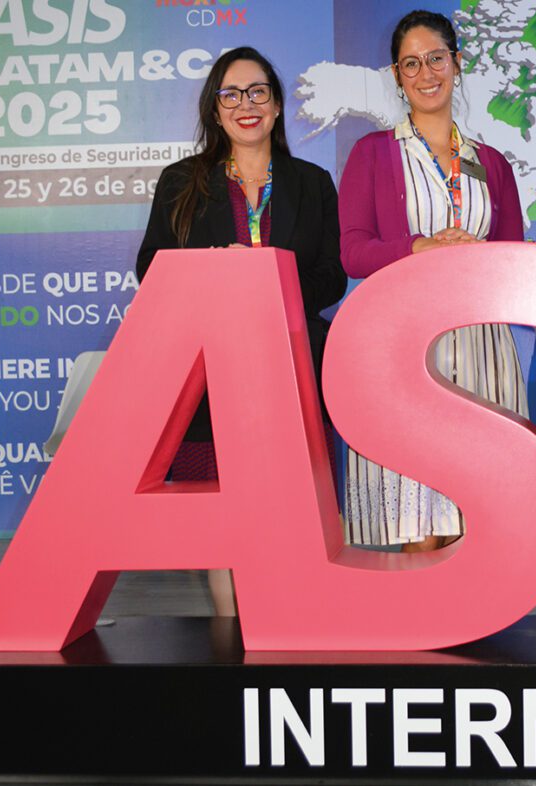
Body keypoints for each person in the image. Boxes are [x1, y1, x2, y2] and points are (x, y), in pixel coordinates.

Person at [137, 47, 347, 612]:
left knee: (297, 514)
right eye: (230, 94)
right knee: (223, 523)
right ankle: (232, 637)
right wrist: (218, 273)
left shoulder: (312, 182)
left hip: (293, 369)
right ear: (215, 110)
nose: (245, 105)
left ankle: (298, 629)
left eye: (257, 92)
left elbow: (332, 276)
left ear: (276, 106)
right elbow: (151, 268)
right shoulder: (182, 182)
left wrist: (267, 278)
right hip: (211, 373)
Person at [338, 10, 527, 552]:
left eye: (436, 58)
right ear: (397, 76)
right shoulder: (373, 153)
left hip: (482, 350)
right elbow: (353, 253)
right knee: (419, 524)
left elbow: (512, 261)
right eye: (411, 64)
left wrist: (479, 255)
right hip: (405, 349)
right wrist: (420, 247)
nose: (426, 73)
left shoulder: (491, 163)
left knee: (476, 526)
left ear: (457, 63)